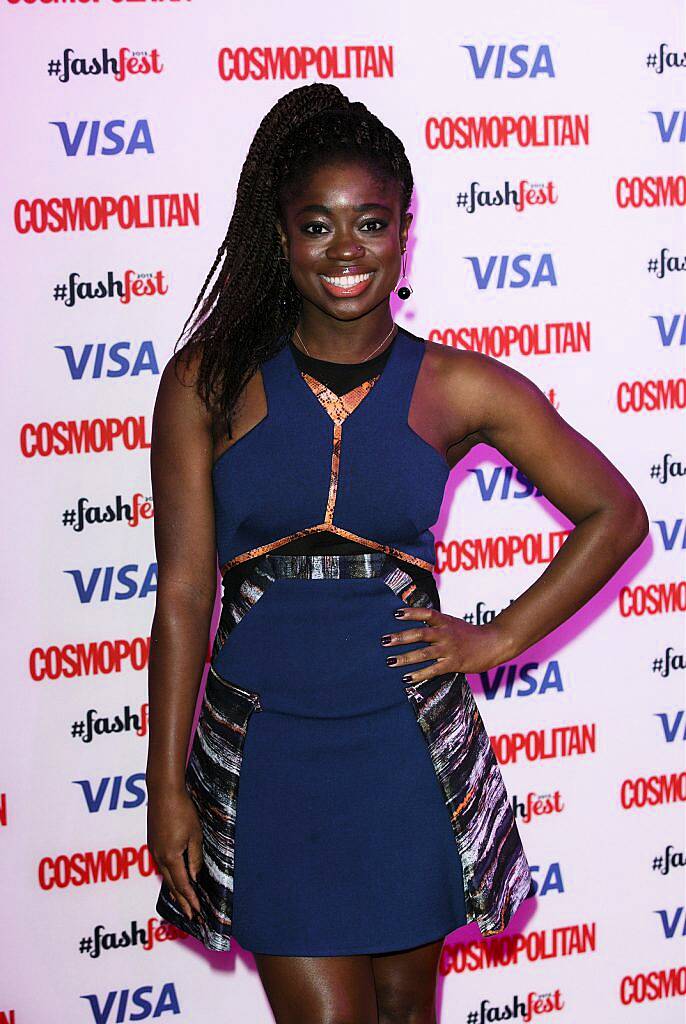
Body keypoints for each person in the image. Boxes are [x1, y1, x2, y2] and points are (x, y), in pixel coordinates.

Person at [146, 82, 648, 1023]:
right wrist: (163, 785)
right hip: (270, 750)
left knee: (407, 1013)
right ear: (280, 235)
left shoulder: (458, 385)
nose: (346, 252)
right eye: (318, 226)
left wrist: (494, 639)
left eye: (371, 223)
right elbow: (181, 598)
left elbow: (615, 514)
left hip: (401, 745)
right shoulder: (206, 381)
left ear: (405, 231)